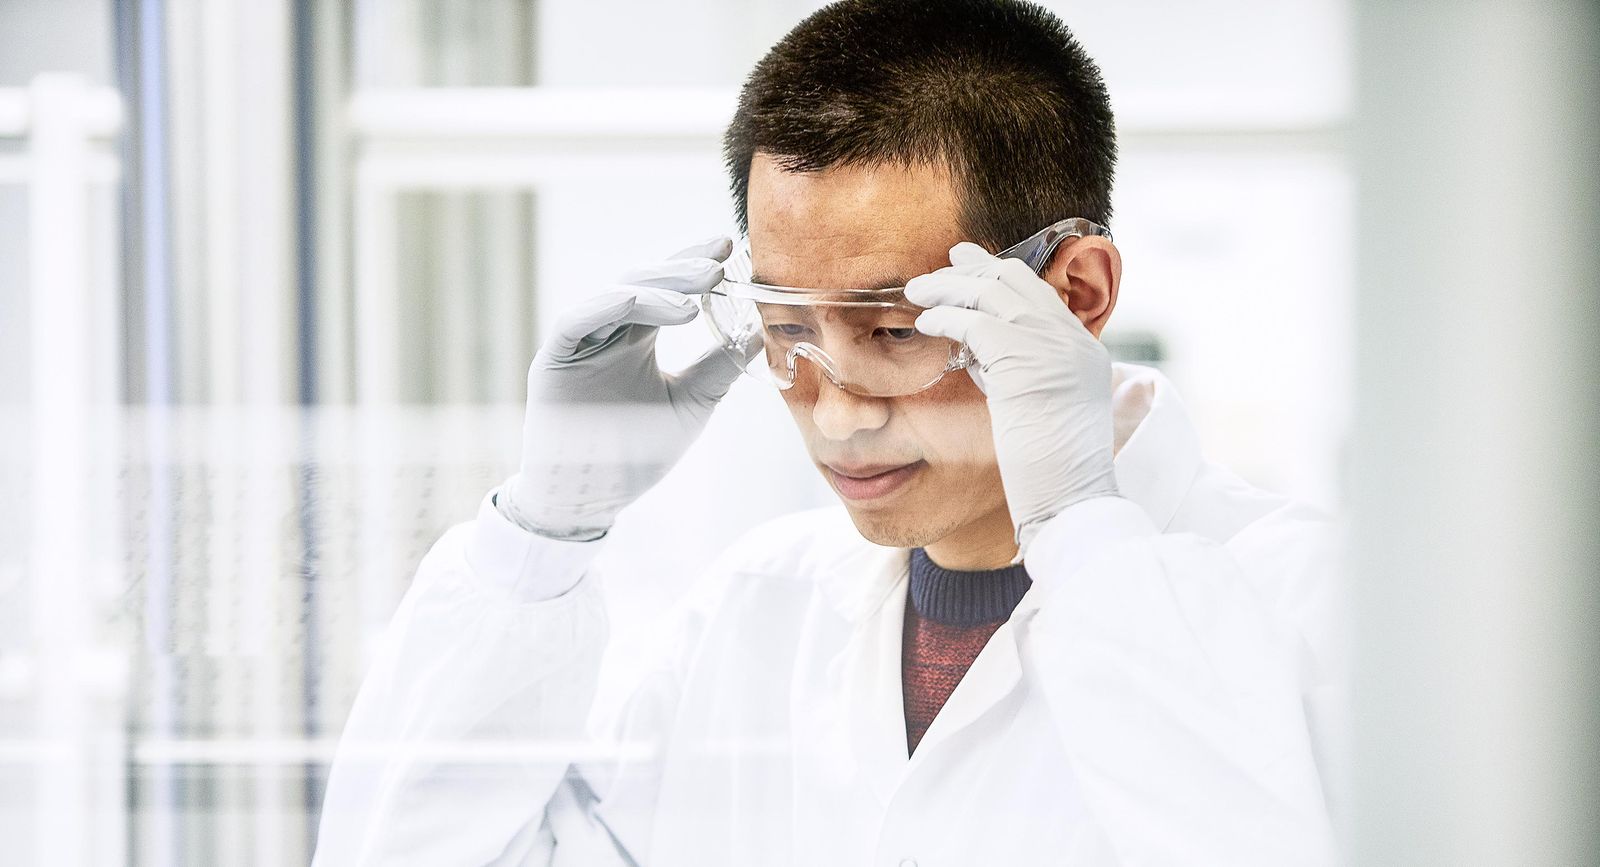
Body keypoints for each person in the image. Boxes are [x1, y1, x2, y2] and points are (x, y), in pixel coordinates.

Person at [312, 0, 1345, 863]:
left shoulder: (1312, 601)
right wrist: (543, 532)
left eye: (895, 329)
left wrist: (1078, 526)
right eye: (787, 328)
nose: (839, 410)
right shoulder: (756, 614)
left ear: (1073, 294)